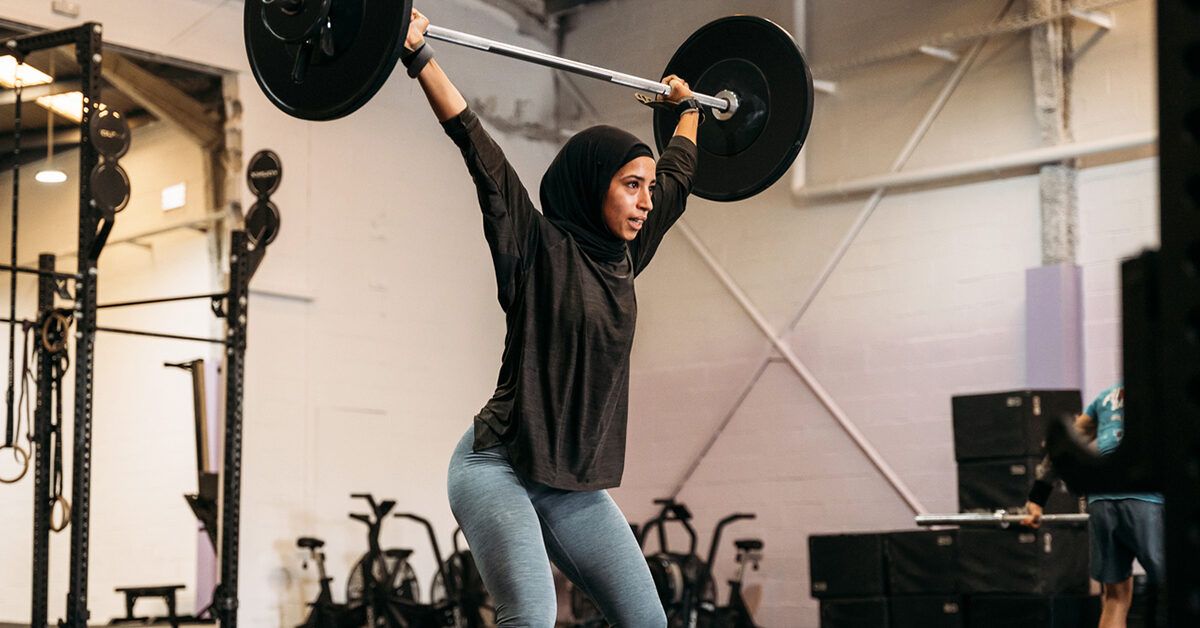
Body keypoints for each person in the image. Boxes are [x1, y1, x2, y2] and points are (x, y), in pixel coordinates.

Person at [402, 8, 700, 626]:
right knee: (531, 617)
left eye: (646, 187)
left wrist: (690, 106)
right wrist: (417, 55)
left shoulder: (623, 254)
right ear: (594, 186)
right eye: (629, 185)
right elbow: (476, 146)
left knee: (649, 621)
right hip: (497, 466)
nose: (645, 201)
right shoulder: (535, 249)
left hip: (571, 484)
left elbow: (678, 174)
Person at [1022, 382, 1164, 628]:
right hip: (1144, 497)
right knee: (1177, 593)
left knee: (1115, 599)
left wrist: (1037, 497)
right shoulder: (1170, 386)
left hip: (1101, 500)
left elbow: (1065, 446)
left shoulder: (1106, 397)